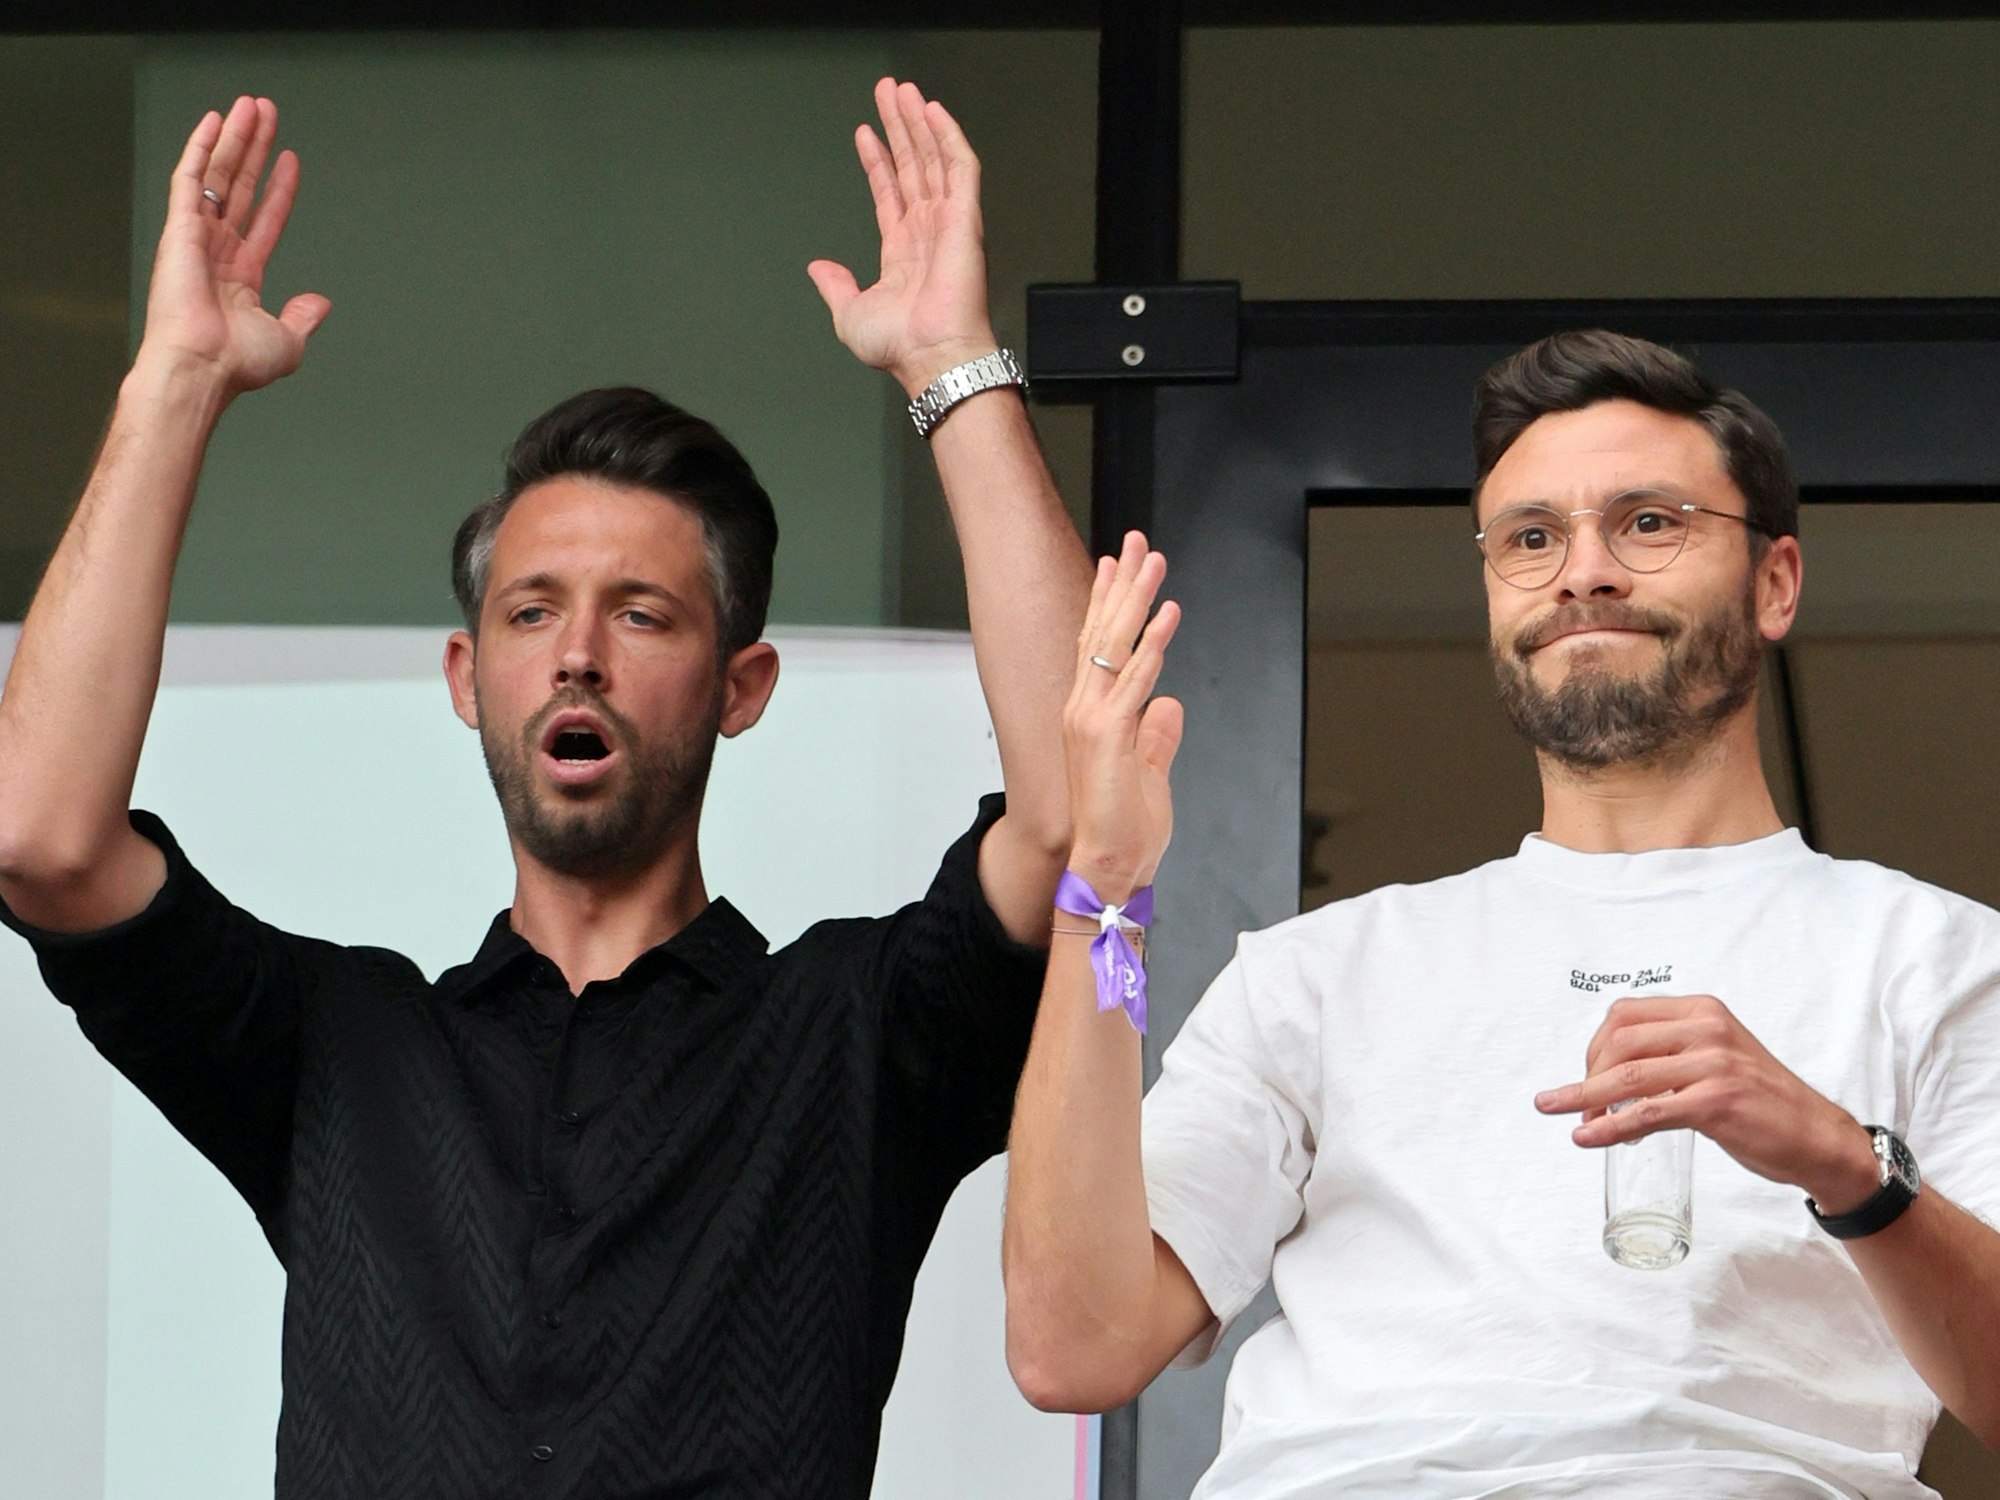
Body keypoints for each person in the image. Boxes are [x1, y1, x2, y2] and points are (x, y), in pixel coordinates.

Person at [0, 80, 1090, 1499]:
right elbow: (38, 837)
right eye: (531, 613)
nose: (577, 653)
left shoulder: (855, 1035)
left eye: (641, 613)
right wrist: (175, 384)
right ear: (468, 678)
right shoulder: (337, 1049)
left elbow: (1077, 813)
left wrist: (950, 362)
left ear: (740, 686)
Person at [1005, 331, 2000, 1498]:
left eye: (1646, 522)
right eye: (1530, 538)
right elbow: (1072, 1346)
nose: (1582, 572)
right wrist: (1101, 897)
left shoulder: (1933, 958)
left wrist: (1847, 1167)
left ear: (1773, 582)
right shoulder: (1317, 972)